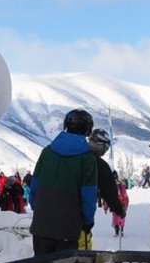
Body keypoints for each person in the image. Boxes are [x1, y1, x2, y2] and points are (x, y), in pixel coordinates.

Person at [26, 109, 102, 255]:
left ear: (66, 125)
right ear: (88, 130)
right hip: (69, 227)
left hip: (41, 226)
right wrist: (87, 222)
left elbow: (34, 187)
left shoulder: (47, 152)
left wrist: (42, 210)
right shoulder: (87, 159)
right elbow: (89, 196)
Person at [85, 127, 127, 236]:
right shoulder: (99, 164)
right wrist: (119, 210)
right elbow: (110, 192)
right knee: (79, 252)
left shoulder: (72, 156)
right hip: (77, 221)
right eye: (106, 147)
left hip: (47, 216)